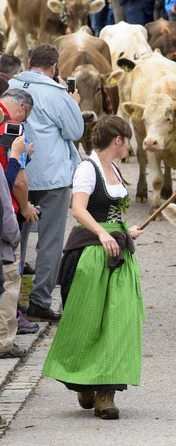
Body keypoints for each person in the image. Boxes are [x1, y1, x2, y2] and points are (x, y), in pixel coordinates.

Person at [42, 115, 146, 420]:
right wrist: (102, 233)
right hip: (90, 254)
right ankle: (83, 381)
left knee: (119, 322)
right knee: (87, 322)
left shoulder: (114, 169)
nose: (129, 146)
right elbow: (78, 208)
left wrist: (127, 230)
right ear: (118, 141)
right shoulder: (88, 169)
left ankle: (106, 394)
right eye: (128, 141)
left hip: (118, 254)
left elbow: (113, 214)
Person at [8, 43, 84, 322]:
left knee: (16, 241)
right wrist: (72, 104)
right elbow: (75, 131)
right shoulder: (57, 92)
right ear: (54, 68)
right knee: (50, 241)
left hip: (16, 171)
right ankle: (39, 301)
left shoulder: (11, 85)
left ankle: (11, 302)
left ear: (29, 62)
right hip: (51, 175)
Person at [0, 89, 40, 336]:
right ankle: (10, 322)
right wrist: (25, 207)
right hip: (6, 208)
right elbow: (17, 181)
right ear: (23, 109)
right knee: (7, 273)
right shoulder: (13, 127)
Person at [0, 135, 29, 359]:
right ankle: (4, 343)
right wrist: (14, 238)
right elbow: (6, 209)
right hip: (3, 248)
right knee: (7, 295)